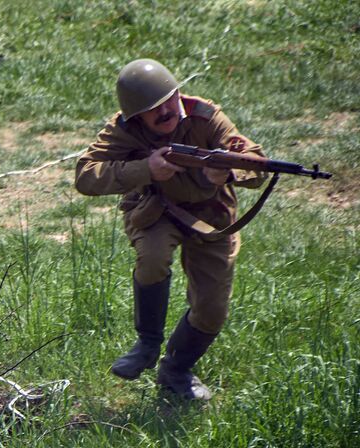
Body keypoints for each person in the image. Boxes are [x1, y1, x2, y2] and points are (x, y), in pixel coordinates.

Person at [75, 58, 267, 400]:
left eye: (169, 101)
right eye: (152, 110)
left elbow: (252, 159)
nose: (164, 112)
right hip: (156, 210)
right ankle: (147, 344)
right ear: (136, 117)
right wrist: (144, 169)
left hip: (212, 219)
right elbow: (86, 175)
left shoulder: (206, 117)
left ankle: (176, 370)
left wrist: (230, 171)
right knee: (151, 258)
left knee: (212, 309)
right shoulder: (124, 129)